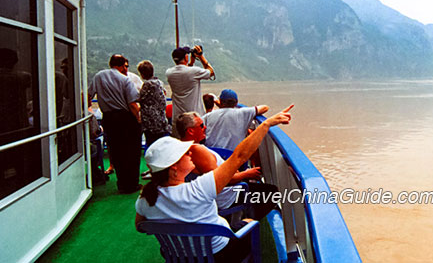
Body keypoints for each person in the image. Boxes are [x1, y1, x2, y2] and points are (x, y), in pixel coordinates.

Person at [135, 105, 293, 261]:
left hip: (179, 256)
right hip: (220, 255)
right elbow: (239, 156)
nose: (190, 153)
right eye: (184, 153)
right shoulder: (199, 189)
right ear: (174, 167)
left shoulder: (144, 198)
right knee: (249, 222)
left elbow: (140, 227)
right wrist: (266, 124)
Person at [176, 112, 278, 220]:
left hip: (221, 191)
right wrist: (246, 174)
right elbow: (221, 180)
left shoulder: (180, 148)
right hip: (228, 196)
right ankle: (247, 222)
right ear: (190, 131)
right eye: (201, 125)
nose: (204, 127)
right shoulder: (196, 151)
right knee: (272, 193)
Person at [88, 54, 142, 193]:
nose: (126, 69)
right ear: (119, 65)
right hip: (125, 118)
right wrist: (138, 118)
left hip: (109, 119)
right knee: (131, 152)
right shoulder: (125, 80)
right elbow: (132, 104)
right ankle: (132, 184)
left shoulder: (98, 76)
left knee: (116, 151)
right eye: (125, 66)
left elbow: (88, 95)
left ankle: (122, 183)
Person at [166, 45, 214, 135]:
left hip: (178, 119)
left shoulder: (169, 73)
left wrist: (191, 62)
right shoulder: (194, 72)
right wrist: (200, 56)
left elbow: (186, 72)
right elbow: (211, 72)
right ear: (186, 57)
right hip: (194, 120)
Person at [203, 89, 268, 151]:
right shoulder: (243, 113)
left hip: (212, 155)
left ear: (220, 101)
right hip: (234, 157)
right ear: (236, 103)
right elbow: (265, 108)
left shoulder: (208, 116)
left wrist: (220, 106)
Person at [137, 60, 171, 148]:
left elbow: (139, 98)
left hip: (151, 122)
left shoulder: (148, 85)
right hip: (161, 119)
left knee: (152, 145)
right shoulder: (159, 82)